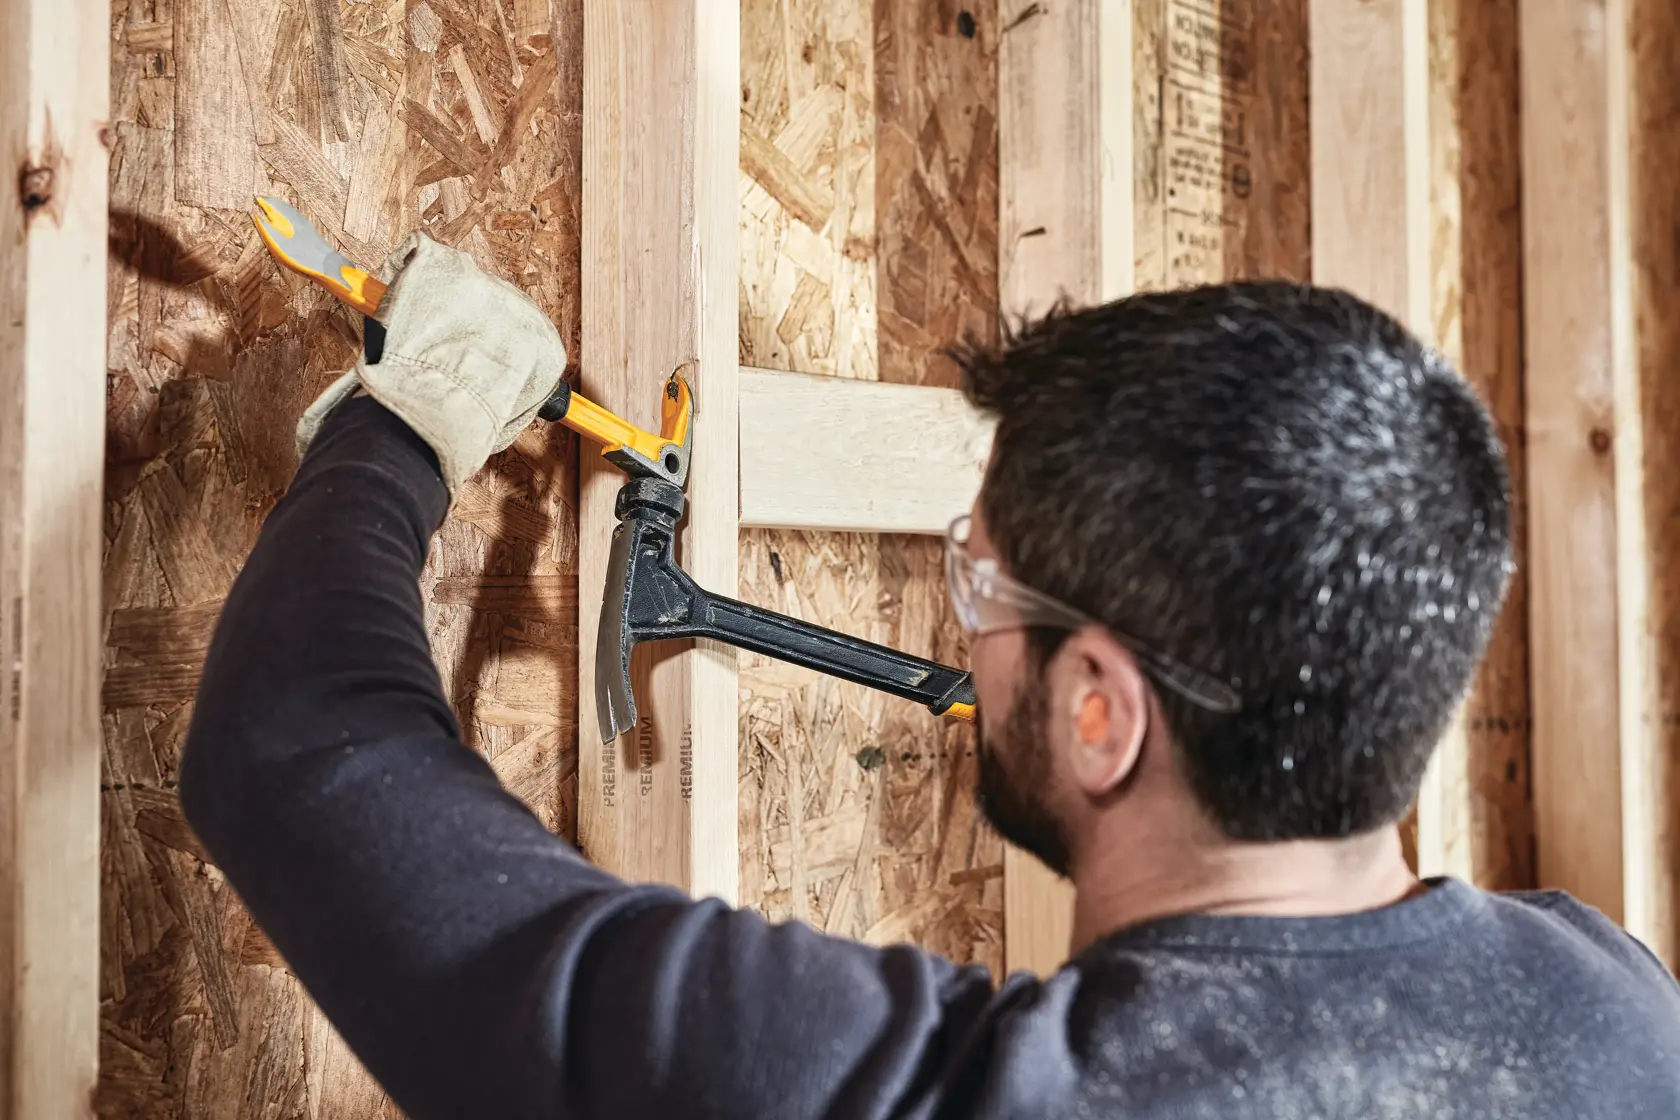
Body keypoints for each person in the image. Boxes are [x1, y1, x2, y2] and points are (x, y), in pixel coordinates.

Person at [179, 233, 1680, 1119]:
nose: (965, 619)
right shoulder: (1622, 1017)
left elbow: (297, 755)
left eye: (979, 581)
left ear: (1101, 713)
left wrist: (405, 429)